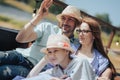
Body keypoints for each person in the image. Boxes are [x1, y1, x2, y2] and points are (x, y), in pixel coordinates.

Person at [0, 0, 81, 79]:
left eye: (70, 19)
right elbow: (20, 39)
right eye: (64, 18)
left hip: (34, 69)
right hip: (20, 55)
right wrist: (38, 16)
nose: (65, 22)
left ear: (76, 24)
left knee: (2, 71)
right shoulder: (47, 27)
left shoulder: (76, 45)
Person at [22, 34, 96, 80]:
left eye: (56, 51)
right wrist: (45, 59)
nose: (52, 55)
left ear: (66, 51)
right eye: (50, 52)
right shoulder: (55, 71)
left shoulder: (81, 62)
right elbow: (30, 78)